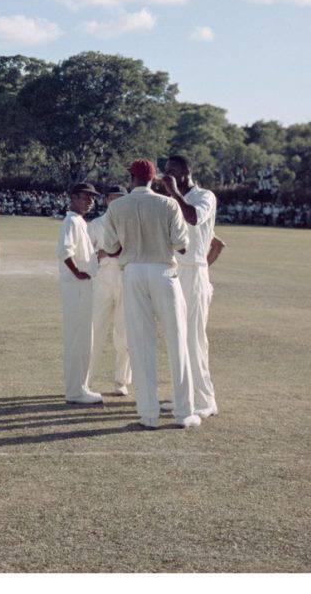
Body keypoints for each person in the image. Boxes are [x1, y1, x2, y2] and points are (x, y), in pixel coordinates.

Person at [101, 160, 200, 430]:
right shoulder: (167, 204)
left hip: (132, 272)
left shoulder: (116, 206)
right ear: (153, 179)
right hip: (164, 272)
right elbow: (181, 244)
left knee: (141, 343)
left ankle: (148, 414)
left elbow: (110, 247)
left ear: (131, 178)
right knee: (177, 341)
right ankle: (183, 413)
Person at [161, 155, 219, 419]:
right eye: (165, 173)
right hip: (174, 269)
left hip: (195, 272)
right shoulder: (172, 201)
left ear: (185, 172)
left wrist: (173, 192)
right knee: (177, 335)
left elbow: (194, 218)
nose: (167, 176)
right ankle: (183, 395)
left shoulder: (205, 196)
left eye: (172, 172)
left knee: (194, 338)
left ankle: (205, 400)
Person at [57, 182, 103, 404]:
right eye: (85, 197)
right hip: (76, 288)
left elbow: (84, 254)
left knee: (84, 339)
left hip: (84, 286)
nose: (90, 201)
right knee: (78, 339)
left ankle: (80, 387)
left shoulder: (80, 222)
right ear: (73, 197)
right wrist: (77, 273)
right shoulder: (71, 221)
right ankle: (75, 391)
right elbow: (65, 252)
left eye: (92, 198)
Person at [87, 185, 131, 396]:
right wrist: (101, 253)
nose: (116, 202)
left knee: (124, 334)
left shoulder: (132, 223)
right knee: (95, 331)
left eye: (121, 199)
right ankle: (85, 380)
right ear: (106, 201)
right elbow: (84, 257)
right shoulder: (96, 225)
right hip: (102, 281)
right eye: (113, 198)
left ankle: (121, 381)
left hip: (125, 280)